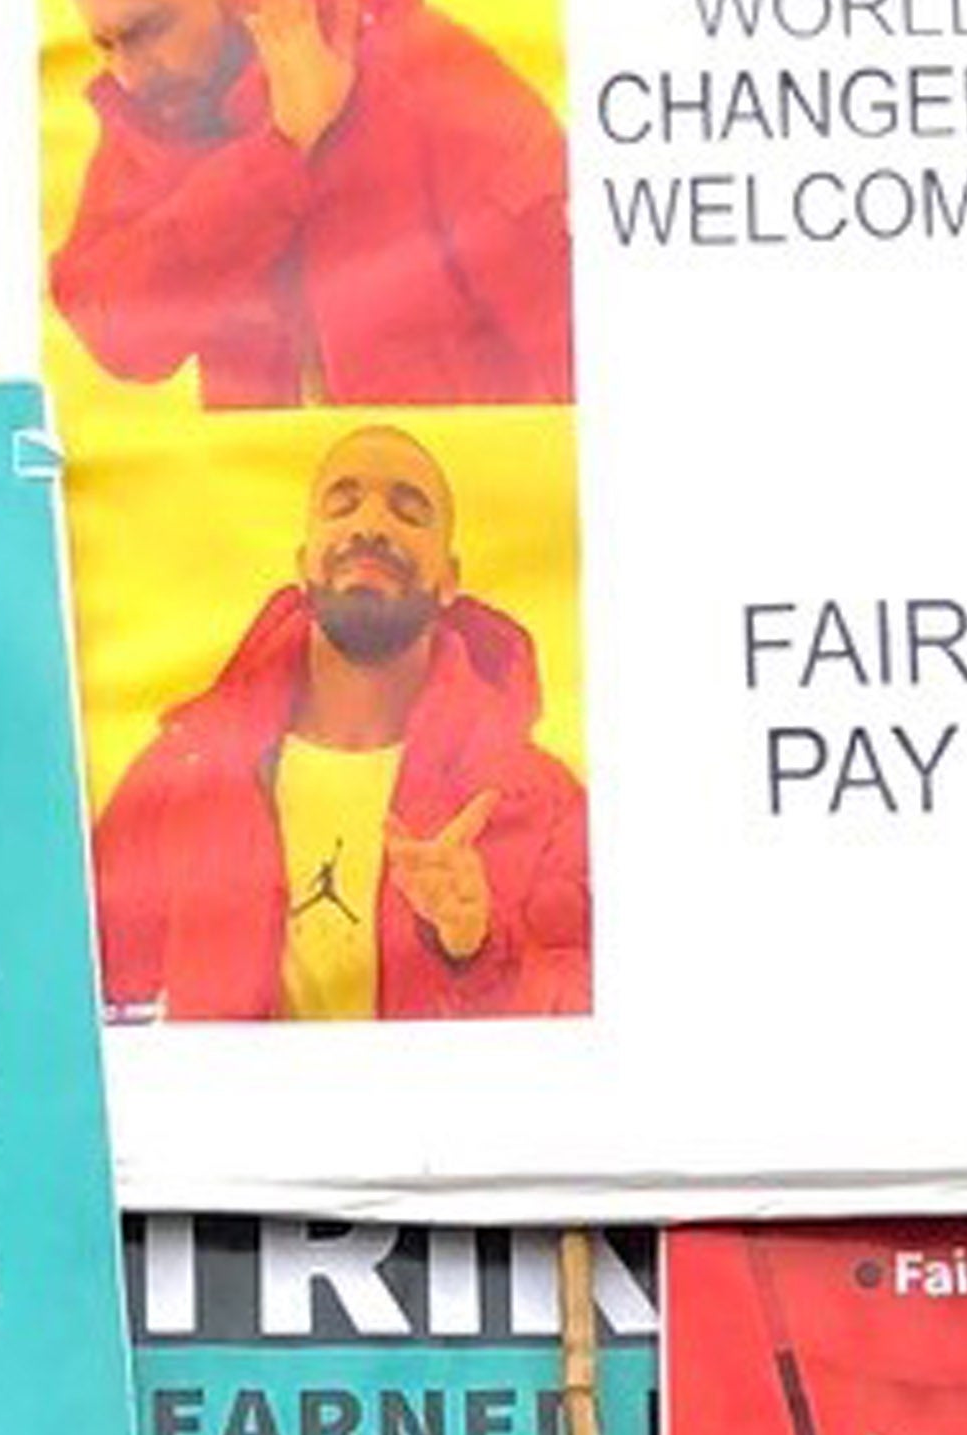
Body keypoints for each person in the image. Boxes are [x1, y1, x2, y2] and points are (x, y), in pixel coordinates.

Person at [88, 422, 590, 1027]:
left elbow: (606, 1019)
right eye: (342, 504)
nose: (370, 526)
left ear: (450, 577)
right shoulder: (181, 774)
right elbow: (84, 989)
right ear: (304, 563)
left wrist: (478, 945)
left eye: (409, 511)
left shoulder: (542, 801)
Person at [48, 0, 575, 415]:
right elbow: (119, 338)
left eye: (148, 29)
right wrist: (280, 150)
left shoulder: (432, 78)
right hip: (270, 495)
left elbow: (577, 344)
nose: (127, 72)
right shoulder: (160, 110)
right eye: (104, 45)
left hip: (456, 491)